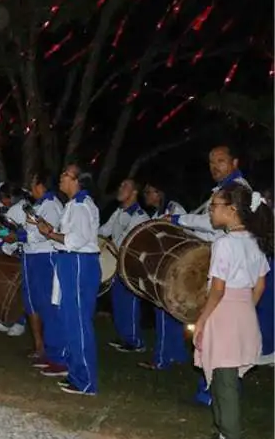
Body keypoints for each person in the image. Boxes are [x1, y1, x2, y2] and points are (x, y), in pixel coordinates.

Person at [167, 144, 274, 404]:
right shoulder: (227, 192)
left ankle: (214, 395)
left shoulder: (236, 192)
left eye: (221, 160)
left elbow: (211, 224)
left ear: (234, 161)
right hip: (235, 288)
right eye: (211, 161)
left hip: (229, 284)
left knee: (220, 340)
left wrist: (181, 221)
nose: (215, 166)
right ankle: (215, 395)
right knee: (225, 342)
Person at [194, 183, 272, 439]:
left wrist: (202, 320)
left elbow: (218, 289)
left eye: (215, 206)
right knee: (222, 377)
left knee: (224, 381)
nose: (211, 211)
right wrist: (245, 310)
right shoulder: (254, 240)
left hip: (224, 311)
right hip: (243, 312)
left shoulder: (224, 243)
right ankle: (224, 436)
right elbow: (260, 285)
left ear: (232, 210)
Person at [36, 162, 101, 395]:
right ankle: (76, 374)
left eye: (66, 174)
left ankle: (85, 381)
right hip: (71, 262)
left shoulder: (82, 206)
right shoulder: (73, 205)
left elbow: (77, 239)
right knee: (70, 320)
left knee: (78, 323)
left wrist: (50, 233)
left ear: (77, 180)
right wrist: (49, 231)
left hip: (78, 263)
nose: (61, 177)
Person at [6, 172, 64, 366]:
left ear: (41, 185)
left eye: (33, 183)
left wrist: (19, 238)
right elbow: (30, 231)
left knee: (46, 302)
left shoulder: (52, 205)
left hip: (45, 256)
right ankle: (39, 346)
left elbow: (48, 233)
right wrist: (13, 234)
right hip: (30, 256)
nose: (30, 187)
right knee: (31, 301)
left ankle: (52, 349)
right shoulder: (37, 205)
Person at [140, 178, 189, 370]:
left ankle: (162, 359)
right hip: (165, 268)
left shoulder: (175, 210)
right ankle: (177, 354)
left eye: (149, 192)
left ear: (159, 193)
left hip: (172, 268)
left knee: (164, 311)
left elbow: (184, 235)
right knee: (170, 312)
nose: (146, 196)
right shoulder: (157, 213)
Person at [101, 179, 150, 353]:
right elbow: (105, 231)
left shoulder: (140, 217)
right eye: (121, 185)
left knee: (129, 302)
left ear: (134, 192)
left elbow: (128, 242)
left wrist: (109, 245)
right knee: (118, 301)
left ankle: (136, 341)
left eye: (125, 186)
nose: (120, 188)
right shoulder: (119, 212)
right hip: (117, 263)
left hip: (130, 266)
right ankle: (125, 337)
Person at [0, 183, 27, 337]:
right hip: (11, 250)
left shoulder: (17, 209)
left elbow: (8, 233)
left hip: (15, 252)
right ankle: (4, 321)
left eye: (3, 200)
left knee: (16, 289)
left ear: (10, 198)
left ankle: (19, 322)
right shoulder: (18, 206)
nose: (2, 203)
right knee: (10, 289)